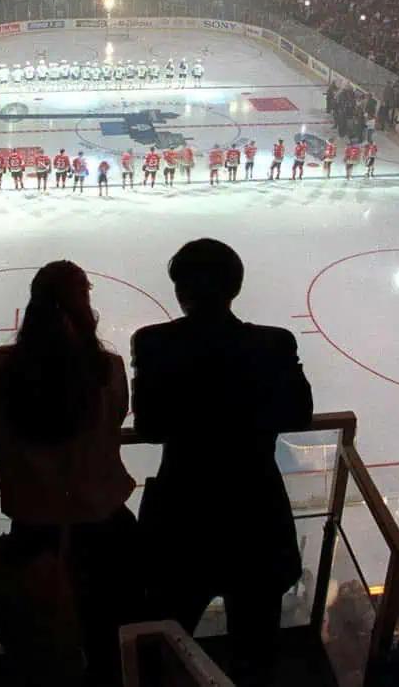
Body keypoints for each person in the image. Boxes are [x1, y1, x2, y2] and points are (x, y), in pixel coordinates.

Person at [132, 240, 314, 686]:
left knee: (163, 648)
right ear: (235, 287)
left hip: (182, 518)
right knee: (256, 655)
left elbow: (150, 427)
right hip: (256, 518)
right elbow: (298, 414)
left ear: (180, 291)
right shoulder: (274, 344)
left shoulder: (154, 343)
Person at [0, 261, 139, 685]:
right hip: (105, 533)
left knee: (42, 654)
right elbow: (114, 420)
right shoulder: (109, 370)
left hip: (33, 537)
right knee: (110, 650)